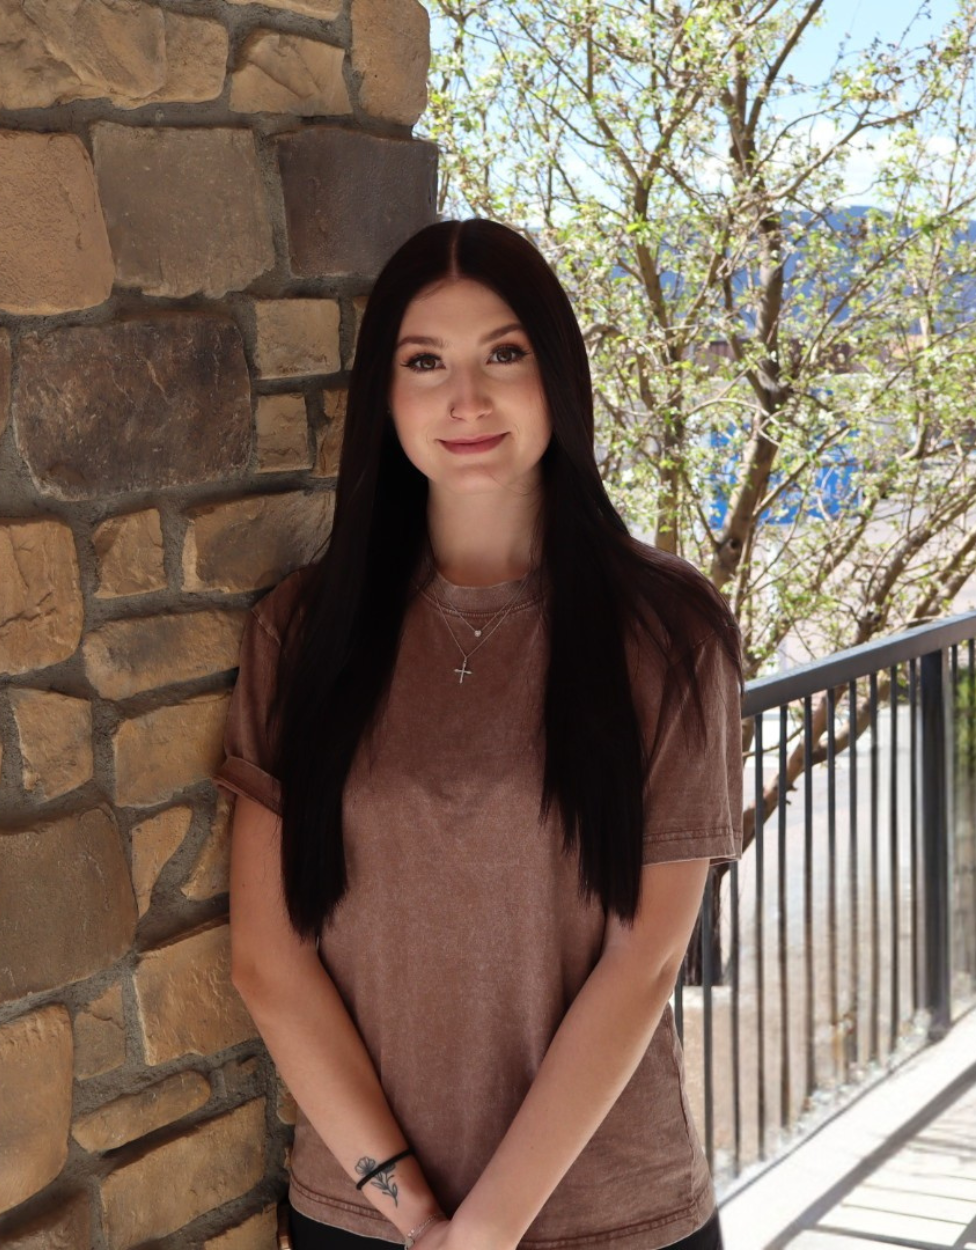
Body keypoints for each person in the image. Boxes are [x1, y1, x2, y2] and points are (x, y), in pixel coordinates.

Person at [214, 217, 743, 1250]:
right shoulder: (303, 628)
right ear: (386, 395)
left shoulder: (668, 632)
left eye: (504, 353)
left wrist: (489, 1227)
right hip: (366, 1217)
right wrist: (420, 1217)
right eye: (425, 362)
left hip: (608, 1216)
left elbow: (642, 961)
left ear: (557, 375)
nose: (466, 398)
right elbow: (267, 957)